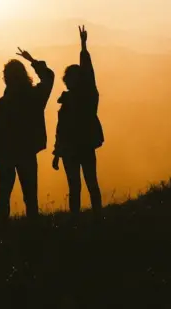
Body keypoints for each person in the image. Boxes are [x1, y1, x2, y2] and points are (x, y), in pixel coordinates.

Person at [0, 47, 55, 223]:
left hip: (6, 154)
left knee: (3, 198)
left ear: (6, 79)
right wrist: (32, 60)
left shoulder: (2, 103)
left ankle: (2, 231)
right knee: (30, 196)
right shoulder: (35, 96)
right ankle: (33, 231)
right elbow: (49, 78)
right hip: (27, 152)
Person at [52, 25, 105, 217]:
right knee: (76, 186)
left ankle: (94, 218)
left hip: (82, 146)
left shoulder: (87, 95)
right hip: (72, 148)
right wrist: (57, 153)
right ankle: (81, 219)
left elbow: (88, 72)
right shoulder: (69, 101)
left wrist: (83, 47)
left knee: (89, 183)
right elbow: (60, 130)